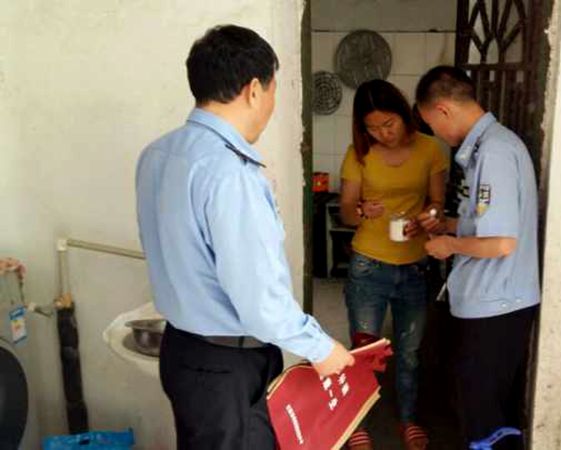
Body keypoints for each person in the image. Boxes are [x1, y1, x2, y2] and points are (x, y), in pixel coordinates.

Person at [135, 25, 353, 450]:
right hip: (227, 367)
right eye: (273, 90)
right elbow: (260, 302)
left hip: (182, 353)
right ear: (254, 90)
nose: (271, 103)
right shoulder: (231, 174)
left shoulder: (158, 154)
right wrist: (321, 348)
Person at [414, 66, 540, 450]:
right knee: (482, 411)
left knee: (485, 421)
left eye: (431, 125)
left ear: (443, 110)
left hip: (497, 306)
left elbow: (501, 243)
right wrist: (448, 225)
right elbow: (487, 225)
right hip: (491, 303)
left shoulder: (495, 153)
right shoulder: (489, 148)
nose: (436, 133)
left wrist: (450, 246)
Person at [338, 79, 448, 450]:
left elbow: (438, 204)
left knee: (410, 353)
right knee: (364, 353)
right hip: (369, 266)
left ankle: (408, 419)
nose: (383, 134)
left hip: (415, 266)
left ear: (403, 114)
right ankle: (357, 424)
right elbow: (346, 211)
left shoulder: (430, 148)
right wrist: (360, 210)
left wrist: (429, 217)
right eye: (372, 128)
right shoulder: (358, 154)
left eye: (389, 124)